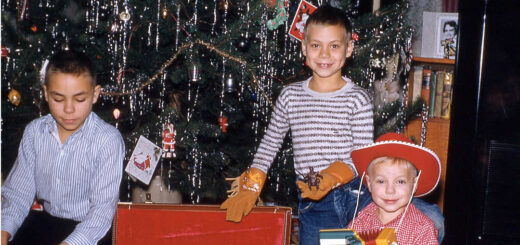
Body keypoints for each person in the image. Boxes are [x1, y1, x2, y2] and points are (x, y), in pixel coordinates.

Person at [220, 5, 444, 245]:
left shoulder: (357, 98)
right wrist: (253, 180)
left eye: (334, 46)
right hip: (317, 203)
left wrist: (333, 176)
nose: (324, 54)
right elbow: (270, 142)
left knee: (432, 219)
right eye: (316, 45)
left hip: (358, 195)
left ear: (348, 49)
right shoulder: (290, 96)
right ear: (304, 47)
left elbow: (362, 158)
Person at [1, 50, 125, 245]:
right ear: (46, 94)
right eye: (58, 99)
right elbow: (17, 194)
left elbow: (101, 212)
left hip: (90, 231)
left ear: (95, 94)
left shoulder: (108, 140)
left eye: (79, 99)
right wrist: (3, 231)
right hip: (45, 223)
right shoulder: (35, 132)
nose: (68, 109)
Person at [348, 132, 440, 244]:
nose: (390, 190)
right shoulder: (360, 222)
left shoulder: (422, 229)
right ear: (369, 183)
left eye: (400, 181)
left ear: (414, 184)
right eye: (381, 181)